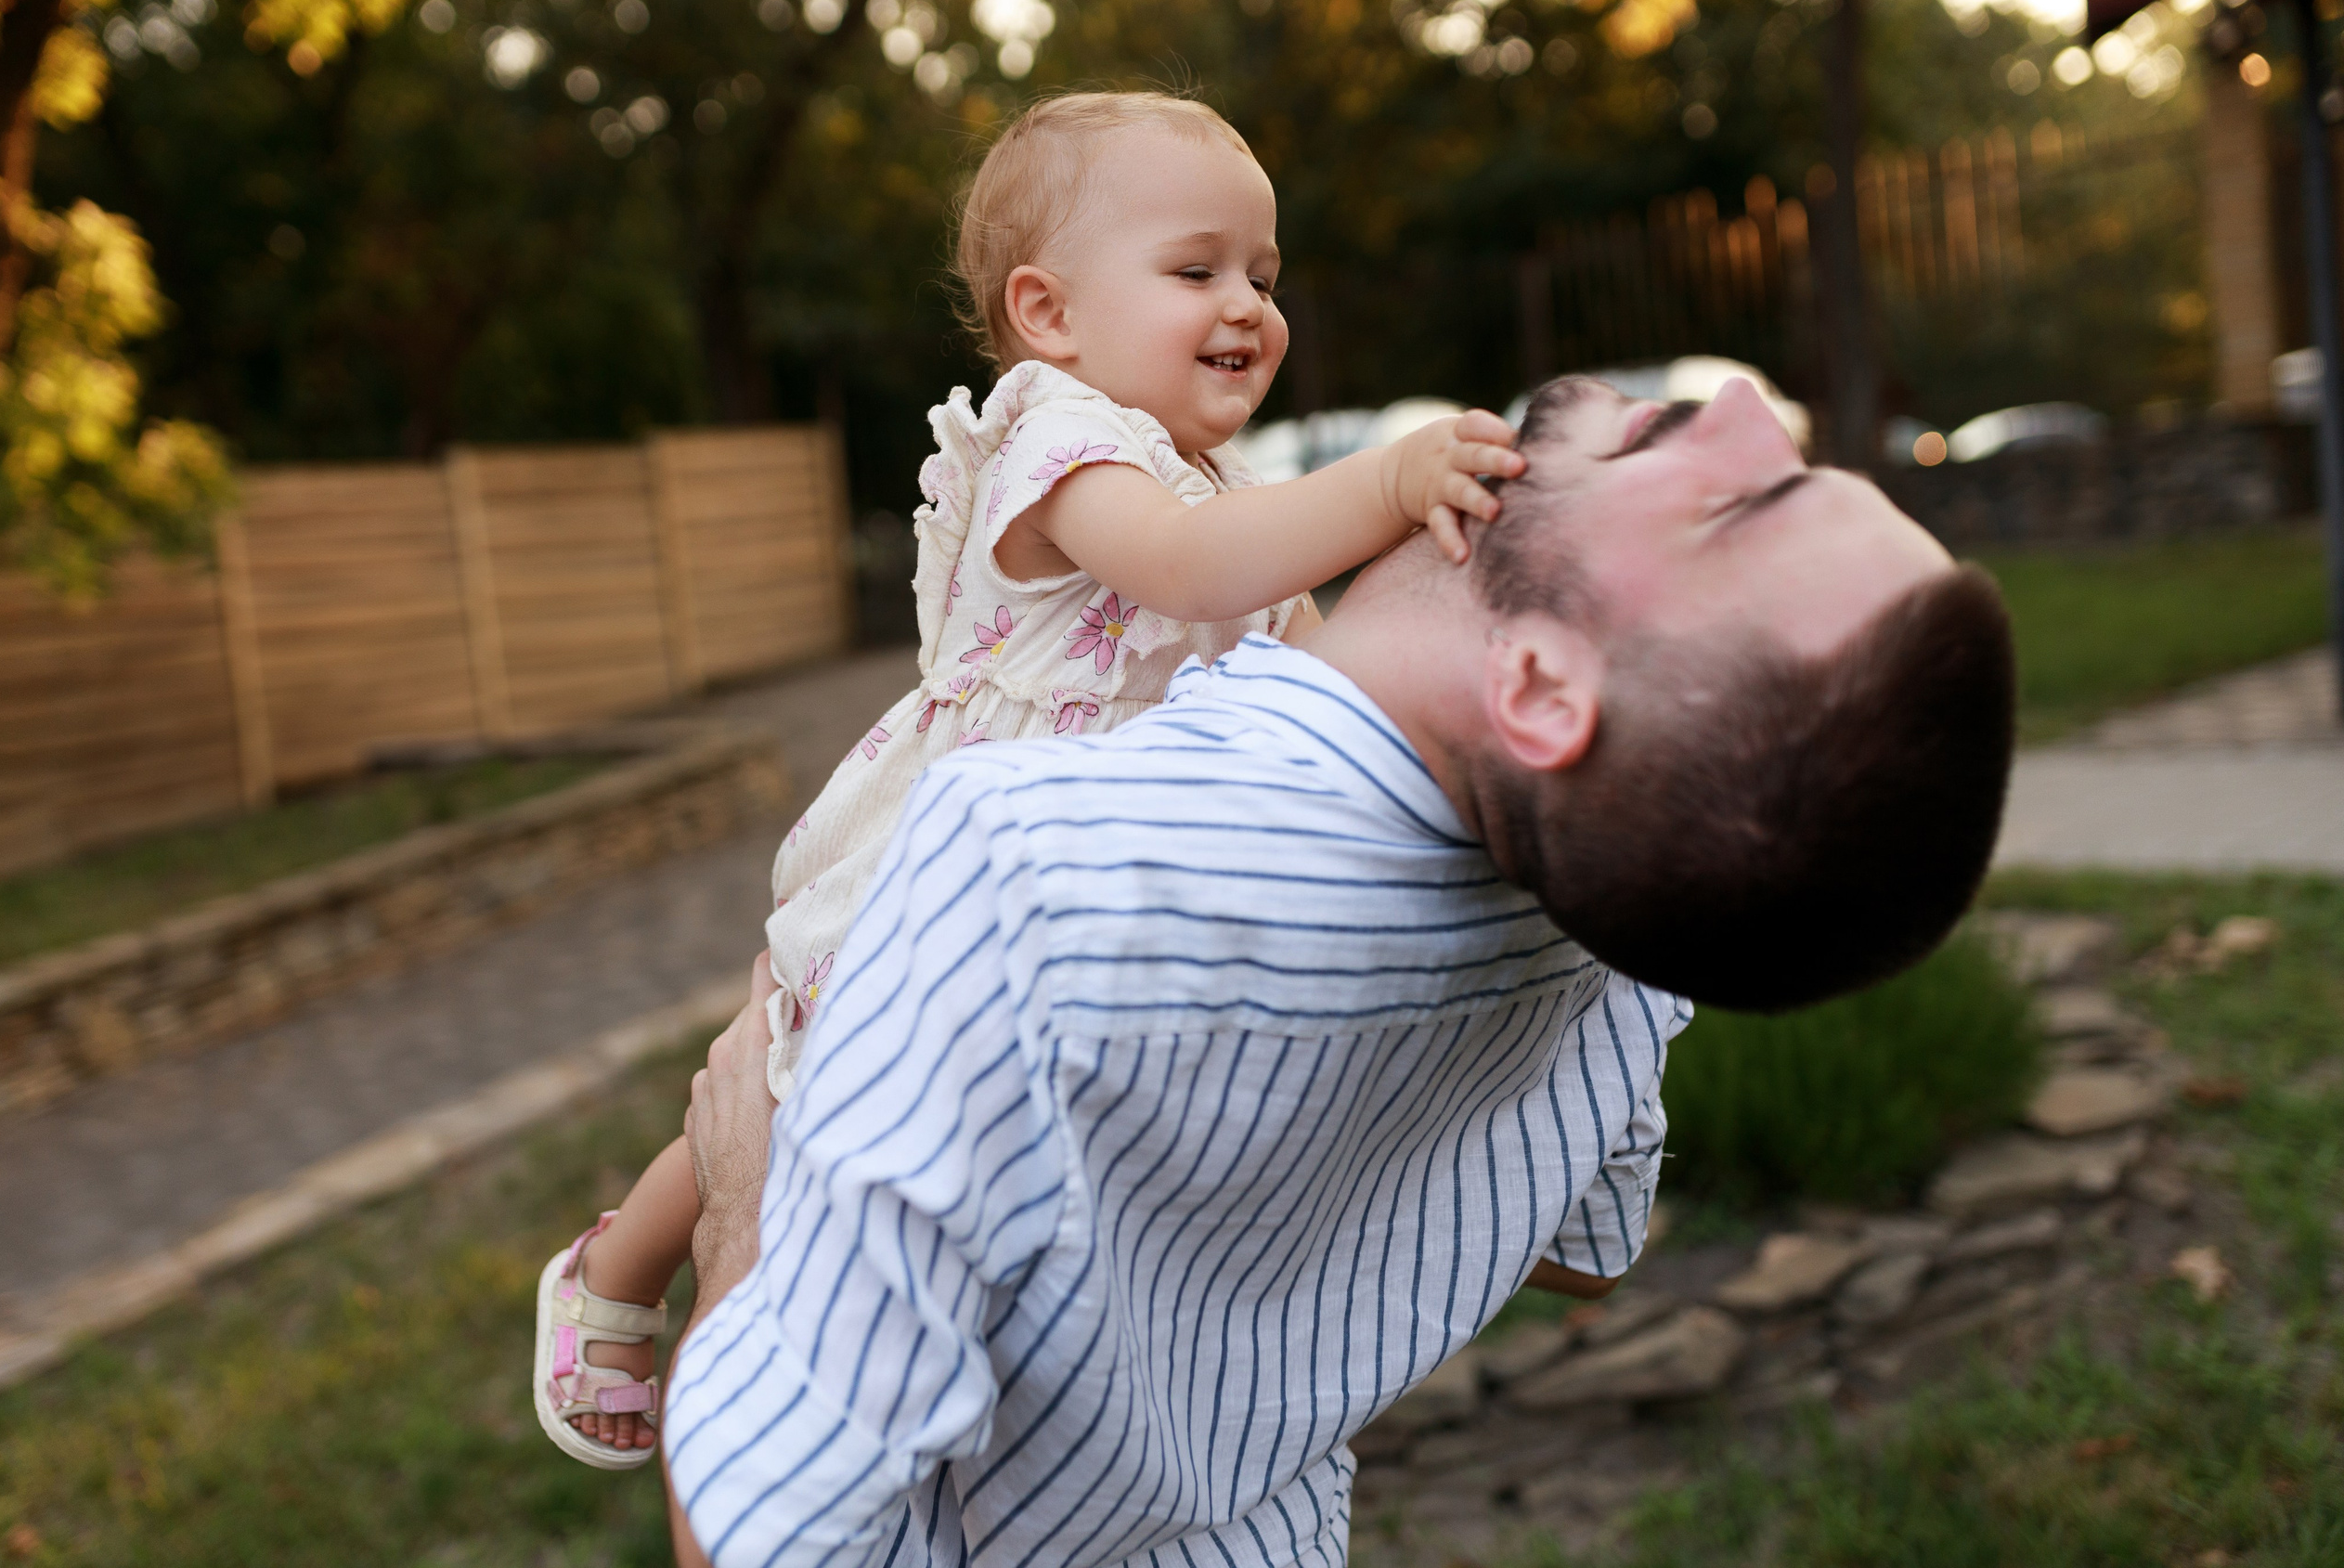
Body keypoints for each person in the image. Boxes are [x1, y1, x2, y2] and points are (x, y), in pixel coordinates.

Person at [659, 371, 2017, 1567]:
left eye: (1743, 504)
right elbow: (1583, 1257)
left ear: (1542, 691)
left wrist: (742, 1228)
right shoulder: (1601, 935)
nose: (1732, 409)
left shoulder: (1022, 862)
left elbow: (756, 1536)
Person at [531, 90, 1524, 1467]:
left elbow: (1315, 663)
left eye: (1263, 274)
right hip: (958, 859)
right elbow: (1193, 575)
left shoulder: (1206, 475)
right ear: (1050, 316)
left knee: (989, 1153)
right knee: (801, 1086)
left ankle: (955, 1372)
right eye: (1197, 271)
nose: (1245, 304)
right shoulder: (1061, 445)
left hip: (1090, 896)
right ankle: (620, 1269)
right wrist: (1387, 481)